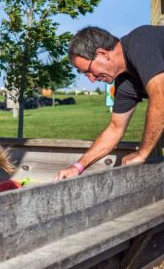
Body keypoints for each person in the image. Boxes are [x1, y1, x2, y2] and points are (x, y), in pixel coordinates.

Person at [55, 25, 164, 180]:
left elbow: (160, 97)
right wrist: (77, 167)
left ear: (102, 53)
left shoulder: (141, 42)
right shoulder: (125, 84)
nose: (92, 80)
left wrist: (143, 153)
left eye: (89, 71)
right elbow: (115, 129)